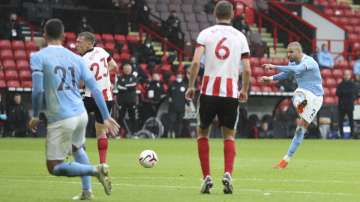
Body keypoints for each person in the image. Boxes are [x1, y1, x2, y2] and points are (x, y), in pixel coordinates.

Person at [29, 18, 120, 200]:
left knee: (54, 166)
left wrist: (36, 114)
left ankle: (96, 169)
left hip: (62, 114)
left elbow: (38, 90)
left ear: (44, 35)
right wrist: (105, 116)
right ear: (63, 36)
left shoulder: (38, 57)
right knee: (78, 148)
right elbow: (95, 88)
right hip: (81, 113)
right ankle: (87, 191)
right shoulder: (76, 59)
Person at [185, 1, 251, 194]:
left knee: (202, 133)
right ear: (232, 15)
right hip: (230, 92)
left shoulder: (206, 34)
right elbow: (247, 69)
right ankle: (228, 173)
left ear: (215, 13)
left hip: (208, 92)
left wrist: (190, 86)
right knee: (229, 136)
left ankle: (206, 177)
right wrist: (244, 89)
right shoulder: (240, 37)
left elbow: (196, 62)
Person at [260, 41, 324, 169]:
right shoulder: (292, 62)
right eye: (287, 52)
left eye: (291, 52)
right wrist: (271, 78)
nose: (288, 54)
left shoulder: (309, 62)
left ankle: (301, 106)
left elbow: (296, 70)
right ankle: (285, 160)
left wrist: (273, 66)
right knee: (299, 125)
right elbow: (287, 73)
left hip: (316, 97)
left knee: (297, 100)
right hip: (304, 94)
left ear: (299, 52)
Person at [75, 31, 118, 165]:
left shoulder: (81, 60)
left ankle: (80, 157)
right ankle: (103, 163)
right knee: (101, 131)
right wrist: (103, 76)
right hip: (107, 97)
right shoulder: (101, 51)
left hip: (89, 97)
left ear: (89, 43)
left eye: (79, 42)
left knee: (75, 125)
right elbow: (114, 66)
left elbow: (81, 83)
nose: (76, 45)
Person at [116, 63, 138, 135]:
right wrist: (128, 86)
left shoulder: (134, 77)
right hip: (122, 101)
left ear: (131, 70)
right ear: (123, 70)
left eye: (129, 69)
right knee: (120, 117)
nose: (127, 70)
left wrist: (125, 86)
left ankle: (134, 133)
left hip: (132, 101)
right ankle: (119, 134)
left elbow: (134, 85)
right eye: (126, 69)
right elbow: (119, 87)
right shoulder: (120, 77)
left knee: (133, 117)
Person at [336, 70, 357, 138]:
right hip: (341, 105)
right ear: (343, 75)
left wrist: (344, 93)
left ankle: (352, 135)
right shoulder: (340, 84)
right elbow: (337, 93)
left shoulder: (353, 84)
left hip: (350, 105)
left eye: (348, 74)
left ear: (350, 75)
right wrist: (348, 94)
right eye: (345, 74)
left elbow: (355, 94)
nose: (346, 76)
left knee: (351, 121)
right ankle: (341, 135)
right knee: (340, 121)